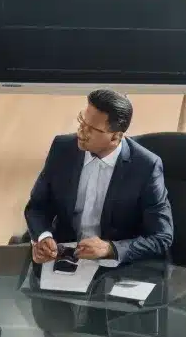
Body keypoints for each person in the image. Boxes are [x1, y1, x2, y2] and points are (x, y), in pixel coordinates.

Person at [25, 88, 174, 267]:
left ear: (116, 137)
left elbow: (161, 236)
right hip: (64, 256)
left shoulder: (146, 167)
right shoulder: (62, 148)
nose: (81, 132)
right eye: (82, 122)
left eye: (92, 129)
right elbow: (37, 207)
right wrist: (43, 237)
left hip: (118, 265)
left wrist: (110, 249)